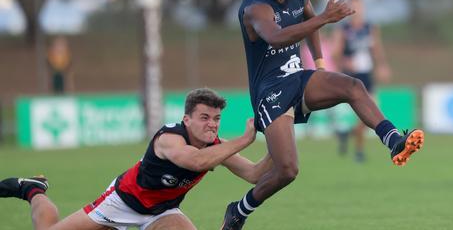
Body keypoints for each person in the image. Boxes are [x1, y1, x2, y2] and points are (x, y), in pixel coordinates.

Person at [221, 0, 424, 229]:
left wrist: (319, 64)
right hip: (270, 92)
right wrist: (325, 18)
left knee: (352, 87)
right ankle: (239, 210)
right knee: (287, 170)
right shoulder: (255, 8)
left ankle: (392, 140)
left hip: (299, 78)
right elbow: (278, 38)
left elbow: (309, 22)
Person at [0, 88, 272, 230]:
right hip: (122, 202)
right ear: (186, 119)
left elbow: (255, 174)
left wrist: (279, 135)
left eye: (216, 119)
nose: (212, 125)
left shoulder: (216, 146)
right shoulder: (169, 139)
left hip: (162, 210)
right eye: (204, 118)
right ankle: (33, 189)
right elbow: (196, 162)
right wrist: (245, 138)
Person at [330, 0, 392, 162]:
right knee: (366, 114)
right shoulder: (343, 30)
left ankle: (347, 135)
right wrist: (345, 62)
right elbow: (334, 54)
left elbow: (377, 48)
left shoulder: (370, 27)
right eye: (354, 8)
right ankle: (359, 152)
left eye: (360, 8)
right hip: (351, 77)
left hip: (367, 75)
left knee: (372, 113)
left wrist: (382, 65)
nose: (357, 12)